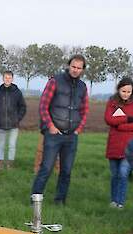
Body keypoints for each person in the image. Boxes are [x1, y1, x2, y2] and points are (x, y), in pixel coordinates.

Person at [30, 54, 89, 205]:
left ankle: (60, 201)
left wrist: (79, 129)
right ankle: (35, 199)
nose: (75, 70)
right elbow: (43, 106)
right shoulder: (55, 81)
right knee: (46, 168)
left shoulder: (83, 87)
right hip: (54, 134)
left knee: (66, 171)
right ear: (69, 66)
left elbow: (84, 110)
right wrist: (50, 126)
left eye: (79, 68)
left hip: (71, 136)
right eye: (73, 66)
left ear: (82, 70)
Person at [104, 77, 133, 208]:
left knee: (123, 173)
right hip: (114, 144)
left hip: (130, 145)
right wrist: (127, 118)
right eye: (123, 91)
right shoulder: (112, 101)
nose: (126, 94)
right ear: (118, 89)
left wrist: (120, 126)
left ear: (132, 91)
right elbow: (108, 119)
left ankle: (120, 202)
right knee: (115, 174)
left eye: (129, 91)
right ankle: (113, 201)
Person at [0, 70, 26, 170]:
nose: (7, 79)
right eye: (6, 78)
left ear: (12, 79)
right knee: (1, 145)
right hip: (1, 124)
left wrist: (18, 118)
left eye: (9, 78)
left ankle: (10, 164)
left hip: (13, 124)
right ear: (3, 79)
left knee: (12, 145)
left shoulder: (17, 92)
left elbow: (23, 107)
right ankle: (0, 163)